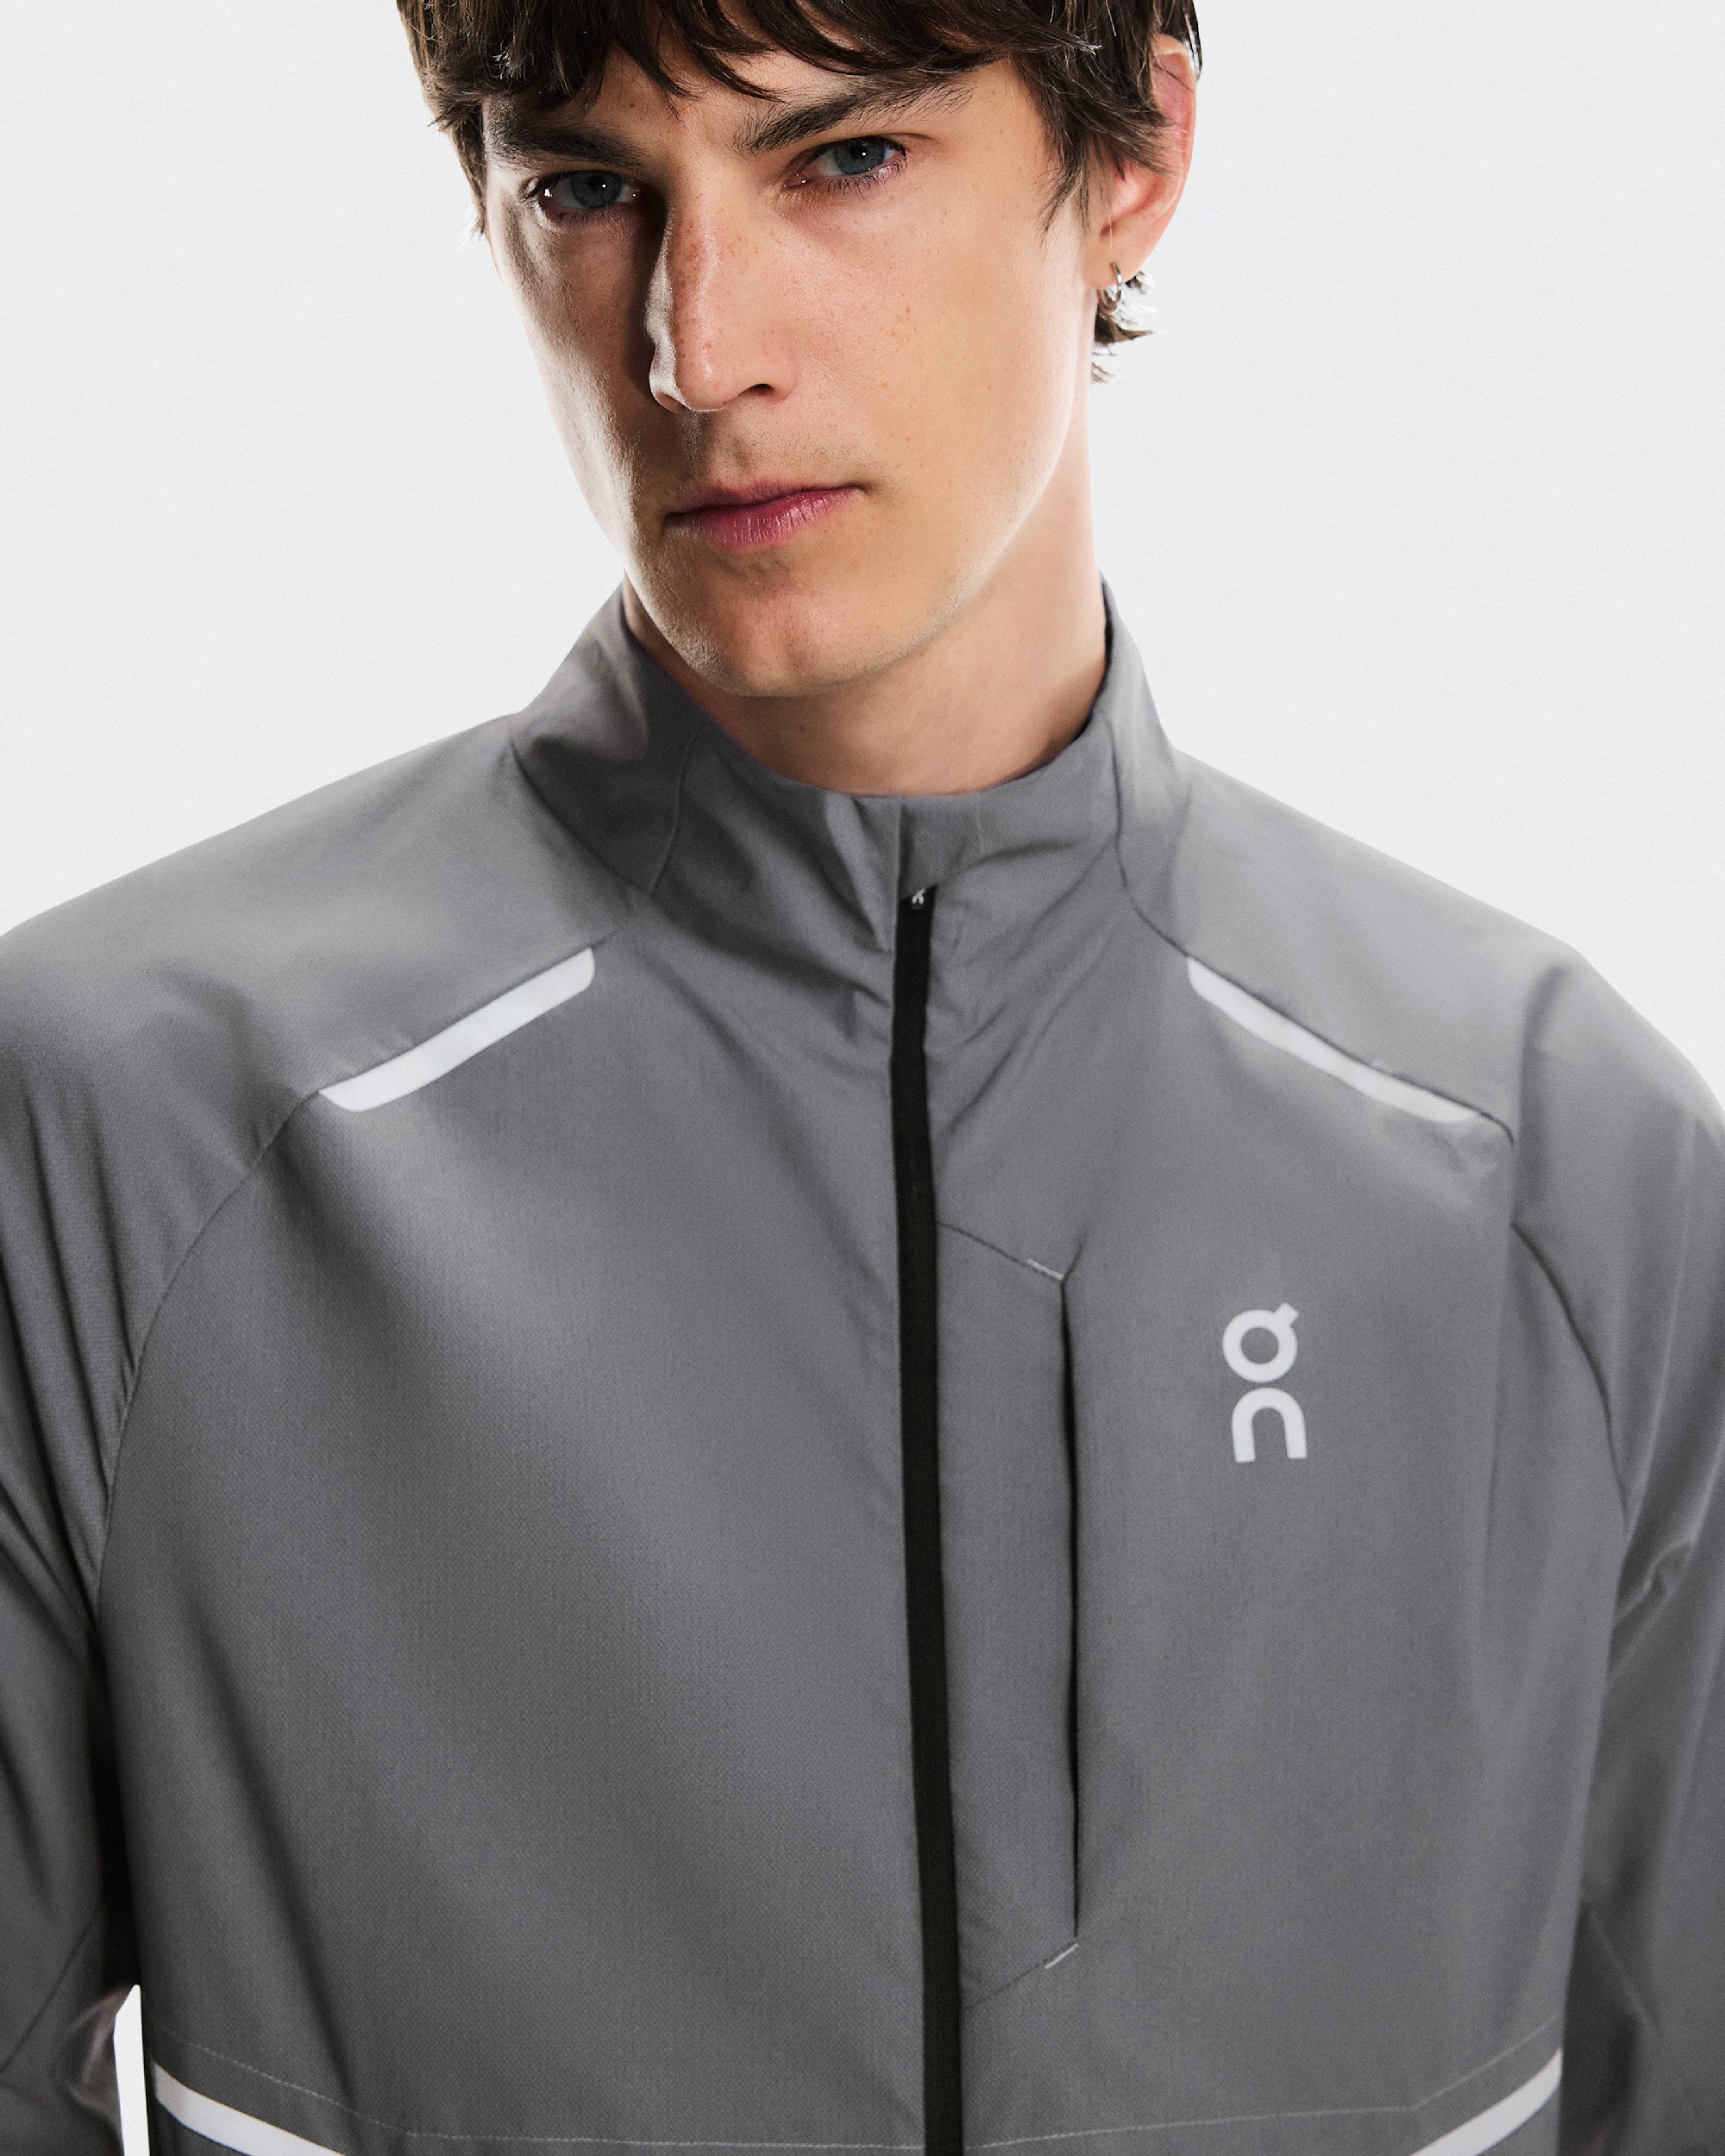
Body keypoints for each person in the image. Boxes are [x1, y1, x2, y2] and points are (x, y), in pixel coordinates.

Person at [1, 3, 1720, 2151]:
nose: (697, 350)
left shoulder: (1561, 1173)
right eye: (587, 188)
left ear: (1132, 151)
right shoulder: (123, 1138)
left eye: (842, 159)